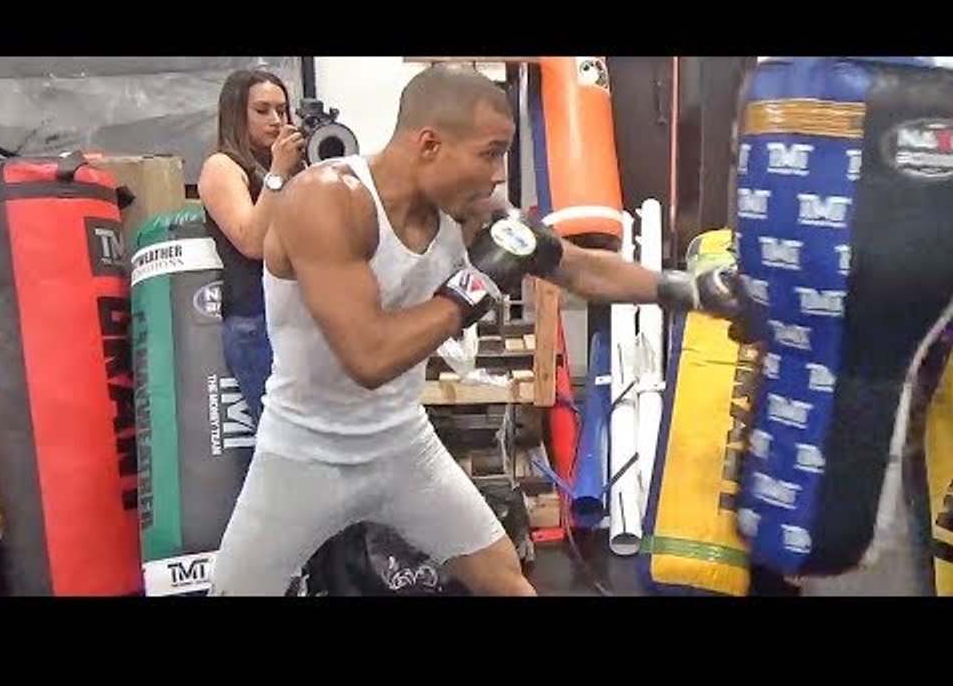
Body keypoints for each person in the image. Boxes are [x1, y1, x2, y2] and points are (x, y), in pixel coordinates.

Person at [208, 64, 741, 597]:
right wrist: (475, 284)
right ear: (430, 144)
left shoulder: (472, 209)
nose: (498, 175)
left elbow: (573, 265)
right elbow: (369, 356)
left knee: (508, 581)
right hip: (303, 451)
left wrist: (687, 288)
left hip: (401, 445)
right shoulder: (326, 199)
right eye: (489, 153)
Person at [197, 68, 307, 425]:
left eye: (282, 110)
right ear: (236, 113)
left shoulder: (285, 169)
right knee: (285, 435)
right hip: (255, 320)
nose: (276, 120)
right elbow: (251, 242)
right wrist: (277, 173)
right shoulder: (222, 167)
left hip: (296, 316)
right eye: (262, 110)